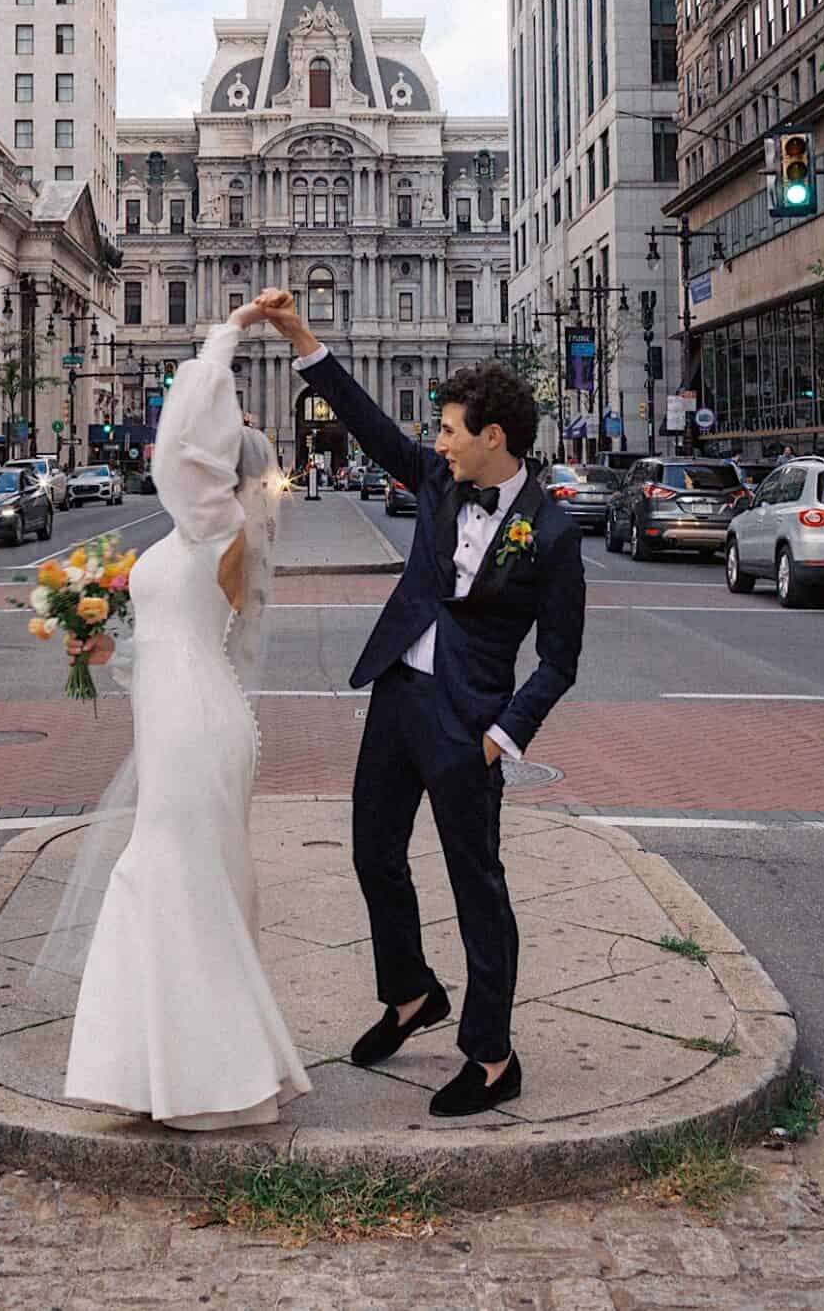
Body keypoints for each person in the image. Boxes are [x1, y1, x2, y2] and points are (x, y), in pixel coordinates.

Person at [248, 287, 585, 1119]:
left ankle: (492, 1055)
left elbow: (562, 658)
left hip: (470, 723)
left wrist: (505, 734)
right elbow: (368, 424)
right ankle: (409, 995)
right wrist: (301, 337)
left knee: (479, 887)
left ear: (492, 437)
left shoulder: (553, 532)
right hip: (399, 693)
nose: (436, 440)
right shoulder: (436, 478)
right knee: (373, 854)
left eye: (449, 428)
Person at [52, 299, 310, 1129]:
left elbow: (174, 443)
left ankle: (210, 1079)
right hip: (178, 716)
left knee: (171, 877)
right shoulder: (186, 537)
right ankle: (156, 1073)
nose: (188, 449)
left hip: (196, 727)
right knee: (172, 879)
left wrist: (228, 335)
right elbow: (159, 638)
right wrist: (96, 642)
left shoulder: (220, 523)